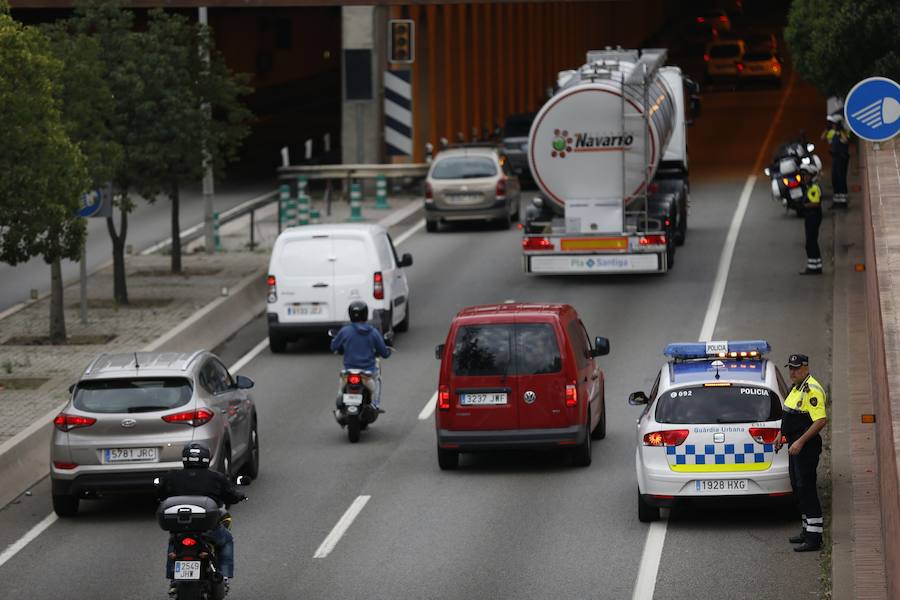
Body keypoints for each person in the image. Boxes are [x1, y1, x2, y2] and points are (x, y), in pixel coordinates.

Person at [157, 442, 246, 593]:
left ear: (185, 458)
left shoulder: (171, 476)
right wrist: (240, 496)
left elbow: (160, 494)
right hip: (208, 530)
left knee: (174, 541)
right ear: (207, 458)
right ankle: (224, 577)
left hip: (180, 528)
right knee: (226, 540)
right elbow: (231, 496)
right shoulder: (216, 477)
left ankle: (173, 578)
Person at [775, 354, 828, 552]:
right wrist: (781, 436)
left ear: (806, 368)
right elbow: (790, 417)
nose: (792, 372)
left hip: (806, 447)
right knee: (798, 489)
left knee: (807, 489)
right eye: (790, 368)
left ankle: (814, 538)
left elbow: (820, 420)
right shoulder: (795, 387)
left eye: (796, 368)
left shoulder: (811, 390)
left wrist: (800, 441)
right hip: (794, 445)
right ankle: (807, 530)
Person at [330, 300, 391, 411]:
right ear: (366, 314)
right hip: (368, 372)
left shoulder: (345, 331)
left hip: (349, 370)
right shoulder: (373, 332)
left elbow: (333, 346)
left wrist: (339, 348)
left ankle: (340, 403)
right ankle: (375, 404)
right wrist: (388, 352)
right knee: (377, 380)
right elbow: (384, 352)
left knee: (341, 384)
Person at [799, 163, 823, 274]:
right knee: (811, 241)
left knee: (811, 242)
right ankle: (815, 265)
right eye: (804, 175)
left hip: (813, 216)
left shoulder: (814, 188)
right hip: (811, 216)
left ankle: (814, 267)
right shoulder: (809, 187)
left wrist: (804, 206)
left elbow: (816, 203)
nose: (804, 178)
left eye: (807, 175)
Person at [821, 114, 850, 208]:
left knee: (841, 179)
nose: (833, 125)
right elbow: (823, 137)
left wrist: (840, 131)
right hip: (835, 158)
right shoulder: (833, 132)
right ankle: (837, 201)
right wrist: (827, 128)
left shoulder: (844, 132)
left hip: (842, 158)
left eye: (834, 124)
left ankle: (843, 201)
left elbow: (845, 140)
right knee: (835, 179)